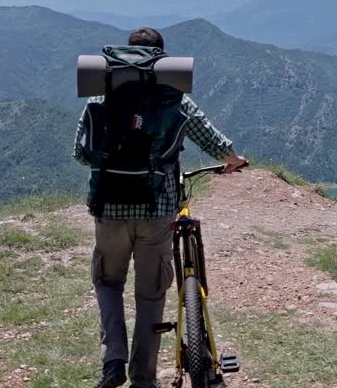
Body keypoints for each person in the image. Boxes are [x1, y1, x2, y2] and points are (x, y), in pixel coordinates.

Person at [74, 26, 249, 388]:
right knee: (151, 294)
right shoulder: (173, 98)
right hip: (158, 210)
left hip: (108, 208)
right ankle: (143, 378)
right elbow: (209, 136)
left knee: (108, 284)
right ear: (161, 60)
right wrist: (233, 159)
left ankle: (113, 363)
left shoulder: (99, 97)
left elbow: (80, 153)